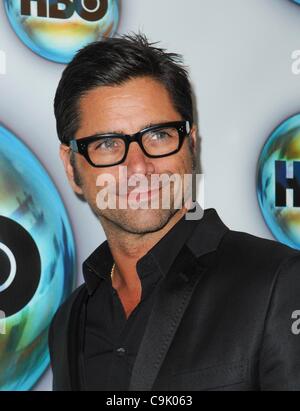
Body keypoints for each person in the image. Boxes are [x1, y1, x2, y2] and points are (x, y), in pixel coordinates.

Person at [48, 33, 300, 391]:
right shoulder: (68, 321)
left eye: (159, 136)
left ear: (191, 145)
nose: (139, 167)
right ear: (72, 167)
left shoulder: (279, 283)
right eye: (107, 144)